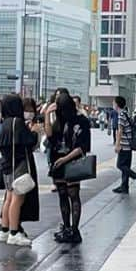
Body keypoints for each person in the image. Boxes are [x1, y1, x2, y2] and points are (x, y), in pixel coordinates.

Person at [0, 94, 38, 247]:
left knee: (8, 198)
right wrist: (34, 132)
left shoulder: (5, 123)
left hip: (7, 166)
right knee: (17, 200)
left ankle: (4, 229)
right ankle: (14, 232)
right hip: (18, 165)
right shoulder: (17, 122)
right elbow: (29, 141)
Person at [48, 88, 88, 245]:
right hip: (58, 162)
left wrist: (65, 159)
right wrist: (46, 114)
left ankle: (74, 229)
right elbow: (50, 137)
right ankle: (66, 227)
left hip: (71, 162)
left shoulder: (81, 121)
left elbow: (83, 147)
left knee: (73, 195)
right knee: (63, 195)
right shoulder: (58, 120)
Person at [111, 95, 136, 194]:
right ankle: (124, 186)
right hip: (129, 144)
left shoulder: (121, 115)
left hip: (124, 145)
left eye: (113, 103)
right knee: (126, 166)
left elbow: (120, 130)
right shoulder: (126, 113)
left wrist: (117, 144)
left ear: (116, 104)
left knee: (120, 165)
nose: (113, 104)